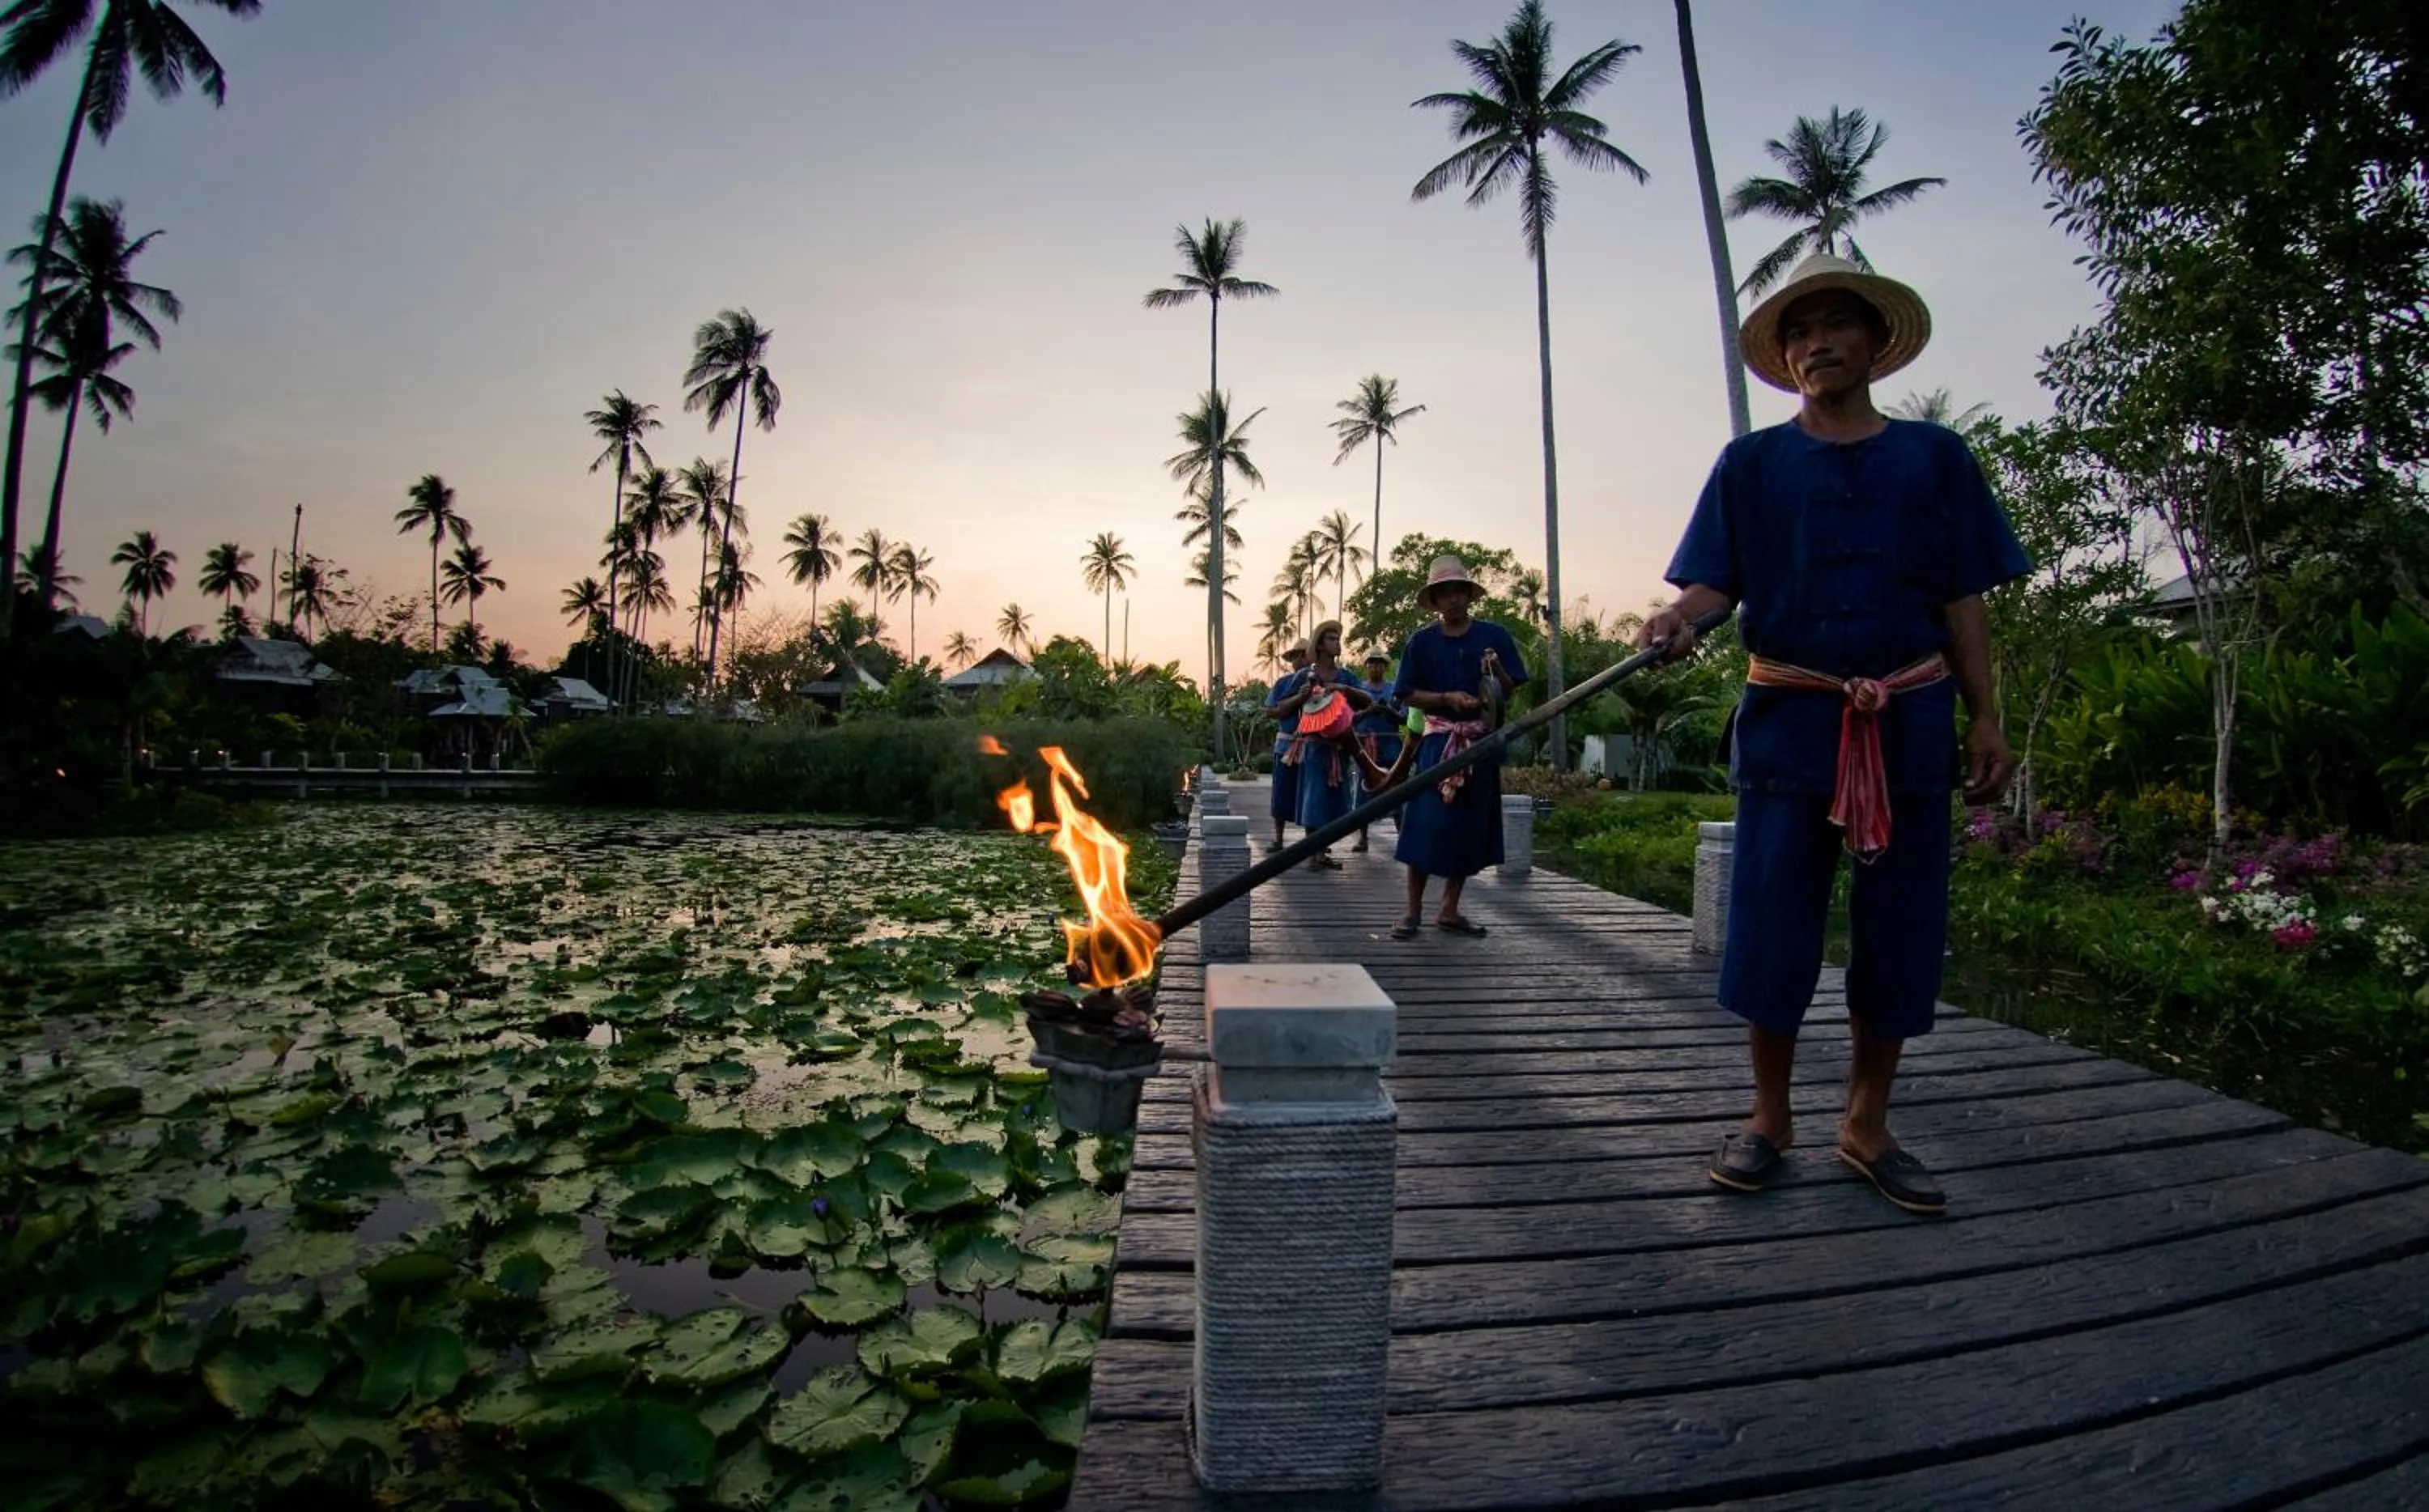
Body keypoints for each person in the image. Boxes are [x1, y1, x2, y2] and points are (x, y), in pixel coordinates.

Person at [1639, 252, 2030, 1217]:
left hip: (1910, 717)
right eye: (1800, 332)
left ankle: (1866, 1122)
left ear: (1874, 341)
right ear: (1786, 357)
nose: (1817, 343)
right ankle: (1769, 1117)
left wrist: (1986, 714)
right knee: (1772, 925)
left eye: (1836, 324)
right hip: (1790, 722)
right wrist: (1678, 617)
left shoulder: (1935, 456)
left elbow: (1962, 597)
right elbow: (1716, 583)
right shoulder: (1749, 464)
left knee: (1900, 928)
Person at [1391, 556, 1527, 940]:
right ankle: (1412, 910)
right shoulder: (1421, 642)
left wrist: (1496, 671)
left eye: (1458, 591)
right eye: (1444, 593)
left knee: (1470, 825)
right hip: (1438, 743)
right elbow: (1407, 694)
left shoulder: (1494, 636)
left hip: (1480, 744)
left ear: (1468, 595)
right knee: (1425, 824)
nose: (1452, 599)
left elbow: (1507, 689)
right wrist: (1446, 698)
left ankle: (1450, 909)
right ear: (1435, 601)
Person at [1274, 621, 1376, 869]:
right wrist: (1302, 696)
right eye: (1331, 639)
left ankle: (1321, 852)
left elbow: (1368, 700)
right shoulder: (1305, 676)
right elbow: (1280, 708)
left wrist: (1344, 690)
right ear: (1320, 645)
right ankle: (1313, 854)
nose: (1337, 643)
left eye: (1337, 639)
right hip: (1314, 746)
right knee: (1314, 799)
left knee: (1334, 802)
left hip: (1339, 748)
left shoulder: (1346, 676)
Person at [1351, 651, 1403, 853]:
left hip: (1390, 743)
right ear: (1366, 666)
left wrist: (1387, 710)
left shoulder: (1394, 689)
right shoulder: (1358, 690)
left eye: (1379, 663)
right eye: (1371, 663)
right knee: (1364, 790)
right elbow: (1350, 718)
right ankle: (1363, 838)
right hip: (1365, 746)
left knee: (1396, 789)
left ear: (1385, 667)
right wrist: (1368, 712)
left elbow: (1403, 718)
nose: (1375, 667)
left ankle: (1402, 835)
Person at [1263, 641, 1311, 853]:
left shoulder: (1321, 682)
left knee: (1311, 794)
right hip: (1286, 745)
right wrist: (1298, 699)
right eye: (1295, 657)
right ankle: (1279, 838)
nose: (1300, 661)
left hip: (1311, 746)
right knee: (1281, 793)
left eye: (1304, 656)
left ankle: (1313, 841)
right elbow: (1271, 710)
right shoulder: (1283, 684)